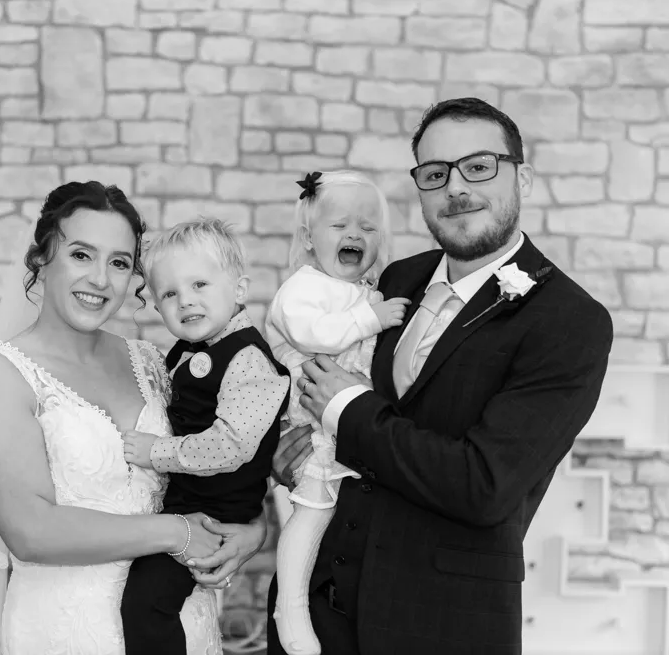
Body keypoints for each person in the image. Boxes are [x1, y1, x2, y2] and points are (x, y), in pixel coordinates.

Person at [267, 97, 614, 655]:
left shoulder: (570, 321)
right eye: (435, 174)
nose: (456, 187)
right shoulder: (396, 278)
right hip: (315, 613)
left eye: (478, 166)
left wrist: (349, 411)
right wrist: (297, 455)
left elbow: (484, 486)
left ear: (522, 177)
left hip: (436, 625)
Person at [0, 181, 268, 655]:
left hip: (181, 625)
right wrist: (180, 532)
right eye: (81, 255)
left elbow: (220, 459)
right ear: (41, 258)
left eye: (118, 263)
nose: (100, 279)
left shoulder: (153, 362)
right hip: (64, 632)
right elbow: (31, 531)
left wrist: (252, 532)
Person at [120, 218, 291, 655]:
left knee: (147, 603)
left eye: (200, 284)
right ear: (157, 307)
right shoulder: (186, 351)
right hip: (188, 502)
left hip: (215, 513)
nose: (186, 301)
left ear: (238, 289)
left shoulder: (248, 358)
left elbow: (232, 445)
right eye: (170, 293)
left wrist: (156, 452)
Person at [263, 170, 408, 655]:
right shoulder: (302, 289)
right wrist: (373, 318)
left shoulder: (365, 289)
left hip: (357, 430)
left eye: (368, 228)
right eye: (339, 225)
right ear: (309, 237)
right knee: (310, 514)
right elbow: (313, 335)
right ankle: (292, 607)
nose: (354, 235)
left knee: (339, 519)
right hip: (317, 428)